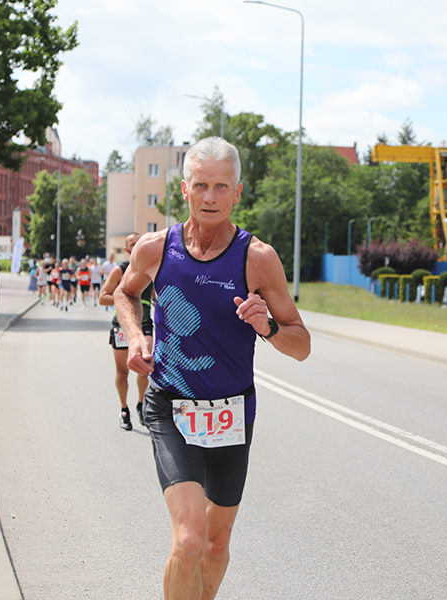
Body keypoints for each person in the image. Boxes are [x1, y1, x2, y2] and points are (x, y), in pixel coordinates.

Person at [114, 137, 310, 600]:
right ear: (183, 189)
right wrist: (138, 335)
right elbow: (124, 293)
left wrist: (267, 328)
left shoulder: (257, 258)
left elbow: (300, 345)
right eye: (201, 185)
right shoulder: (156, 249)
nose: (209, 197)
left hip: (231, 413)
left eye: (221, 187)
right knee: (189, 541)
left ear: (237, 193)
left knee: (217, 547)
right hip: (170, 405)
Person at [99, 233, 153, 431]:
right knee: (122, 373)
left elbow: (156, 295)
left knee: (145, 366)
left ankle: (141, 404)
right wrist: (125, 300)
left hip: (145, 322)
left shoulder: (151, 268)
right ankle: (124, 409)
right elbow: (102, 297)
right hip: (121, 325)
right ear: (127, 249)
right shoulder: (119, 270)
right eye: (133, 244)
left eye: (140, 243)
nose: (137, 246)